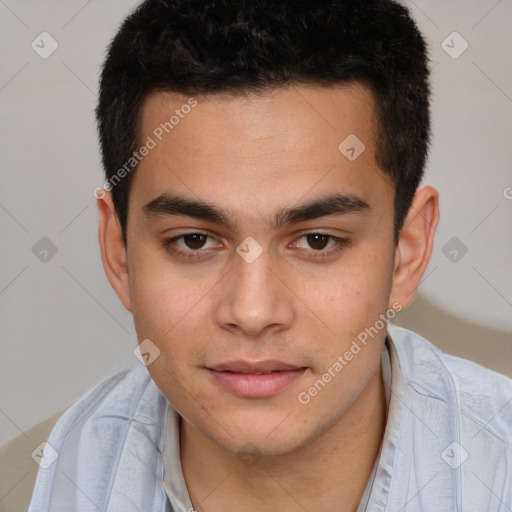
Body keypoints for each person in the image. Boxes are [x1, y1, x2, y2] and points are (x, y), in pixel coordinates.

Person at [28, 0, 512, 511]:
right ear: (119, 253)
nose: (253, 312)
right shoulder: (25, 484)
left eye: (317, 240)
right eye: (194, 241)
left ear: (406, 253)